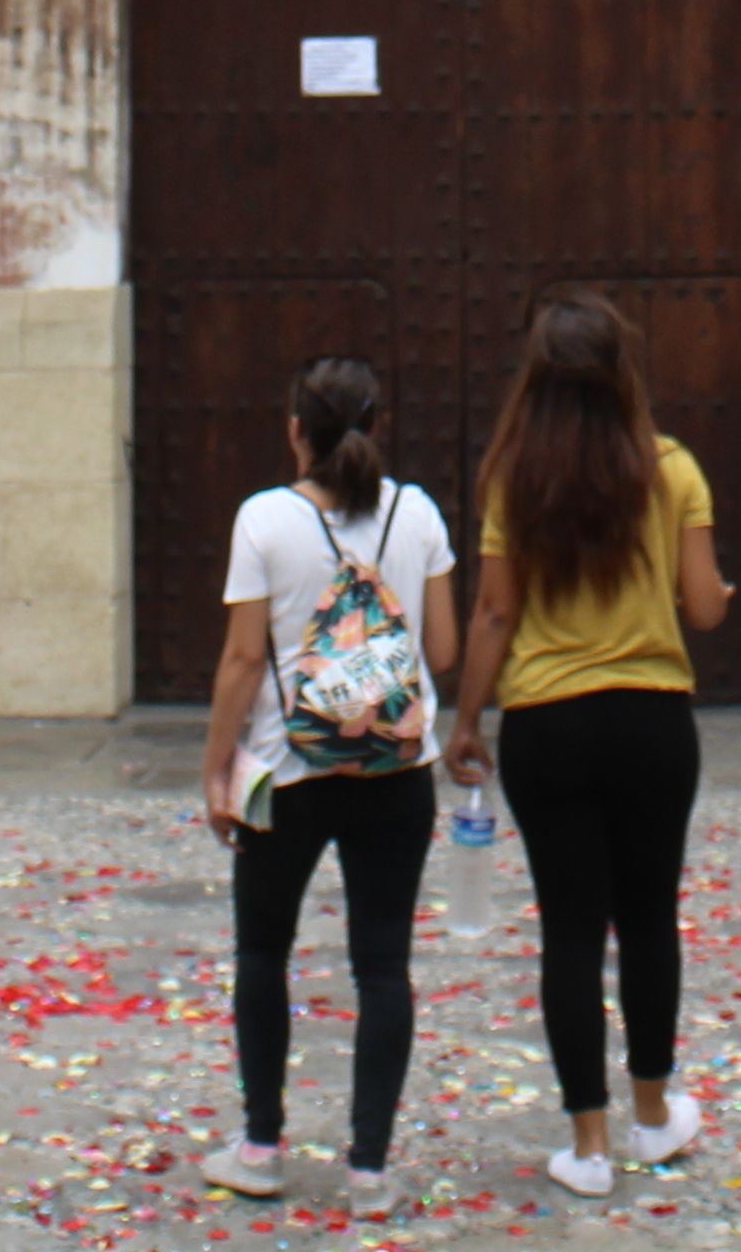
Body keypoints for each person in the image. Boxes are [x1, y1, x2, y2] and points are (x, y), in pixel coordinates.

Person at [442, 294, 733, 1199]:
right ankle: (654, 1117)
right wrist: (721, 583)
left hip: (546, 724)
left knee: (570, 929)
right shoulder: (672, 471)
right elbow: (703, 608)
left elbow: (494, 610)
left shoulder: (513, 479)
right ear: (622, 371)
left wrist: (465, 721)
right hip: (651, 720)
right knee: (648, 919)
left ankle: (588, 1144)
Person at [197, 356, 458, 1212]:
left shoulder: (264, 520)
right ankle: (370, 1168)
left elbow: (241, 658)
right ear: (377, 428)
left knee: (263, 953)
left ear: (295, 432)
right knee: (383, 965)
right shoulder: (415, 515)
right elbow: (445, 654)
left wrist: (216, 767)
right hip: (398, 772)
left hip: (286, 769)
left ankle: (263, 1145)